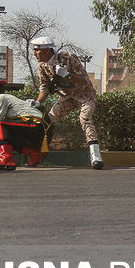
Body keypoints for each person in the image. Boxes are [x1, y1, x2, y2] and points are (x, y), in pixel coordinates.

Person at [31, 36, 104, 170]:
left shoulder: (68, 58)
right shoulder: (42, 66)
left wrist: (67, 75)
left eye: (36, 50)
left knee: (85, 118)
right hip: (67, 97)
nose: (34, 53)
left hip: (85, 95)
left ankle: (96, 156)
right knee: (49, 121)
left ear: (46, 50)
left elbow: (85, 80)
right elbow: (45, 87)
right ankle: (39, 153)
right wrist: (37, 102)